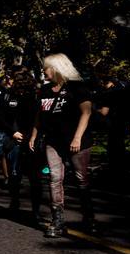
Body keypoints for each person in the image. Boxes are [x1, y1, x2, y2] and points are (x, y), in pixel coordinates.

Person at [29, 53, 94, 237]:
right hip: (53, 141)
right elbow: (39, 115)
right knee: (54, 178)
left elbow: (86, 112)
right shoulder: (45, 90)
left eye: (46, 67)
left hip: (77, 141)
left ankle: (89, 217)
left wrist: (77, 137)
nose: (43, 71)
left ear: (57, 67)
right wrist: (34, 135)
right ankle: (57, 220)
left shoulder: (77, 87)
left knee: (81, 179)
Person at [0, 66, 42, 222]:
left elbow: (39, 118)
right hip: (13, 140)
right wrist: (12, 132)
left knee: (35, 177)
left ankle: (36, 210)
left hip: (32, 141)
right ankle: (14, 202)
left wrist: (32, 136)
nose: (9, 80)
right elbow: (1, 118)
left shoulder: (35, 96)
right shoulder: (5, 96)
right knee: (14, 175)